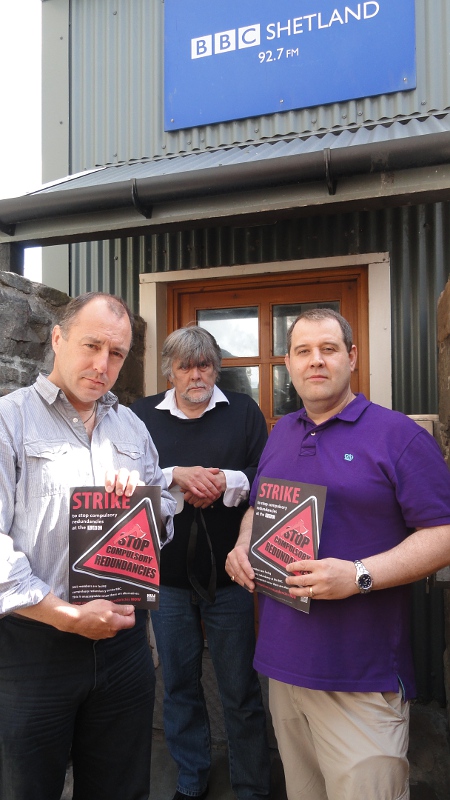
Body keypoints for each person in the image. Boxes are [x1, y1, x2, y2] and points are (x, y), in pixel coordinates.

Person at [225, 308, 450, 800]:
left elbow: (444, 533)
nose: (316, 361)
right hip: (284, 671)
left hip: (360, 678)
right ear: (290, 363)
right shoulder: (283, 430)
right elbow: (260, 505)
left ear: (352, 357)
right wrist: (244, 544)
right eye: (303, 351)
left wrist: (359, 575)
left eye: (328, 349)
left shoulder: (399, 436)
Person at [0, 292, 176, 800]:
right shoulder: (10, 421)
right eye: (91, 345)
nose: (102, 365)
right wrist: (66, 617)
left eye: (116, 353)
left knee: (121, 788)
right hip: (34, 647)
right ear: (58, 339)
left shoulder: (131, 426)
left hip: (123, 646)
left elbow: (160, 530)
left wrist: (140, 510)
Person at [131, 326, 271, 800]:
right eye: (186, 366)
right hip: (165, 578)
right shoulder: (140, 415)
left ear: (216, 367)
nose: (197, 375)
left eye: (205, 365)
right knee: (179, 687)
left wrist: (225, 481)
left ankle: (251, 784)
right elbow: (124, 477)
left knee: (240, 690)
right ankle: (191, 778)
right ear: (169, 369)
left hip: (231, 578)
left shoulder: (243, 412)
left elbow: (267, 474)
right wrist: (176, 476)